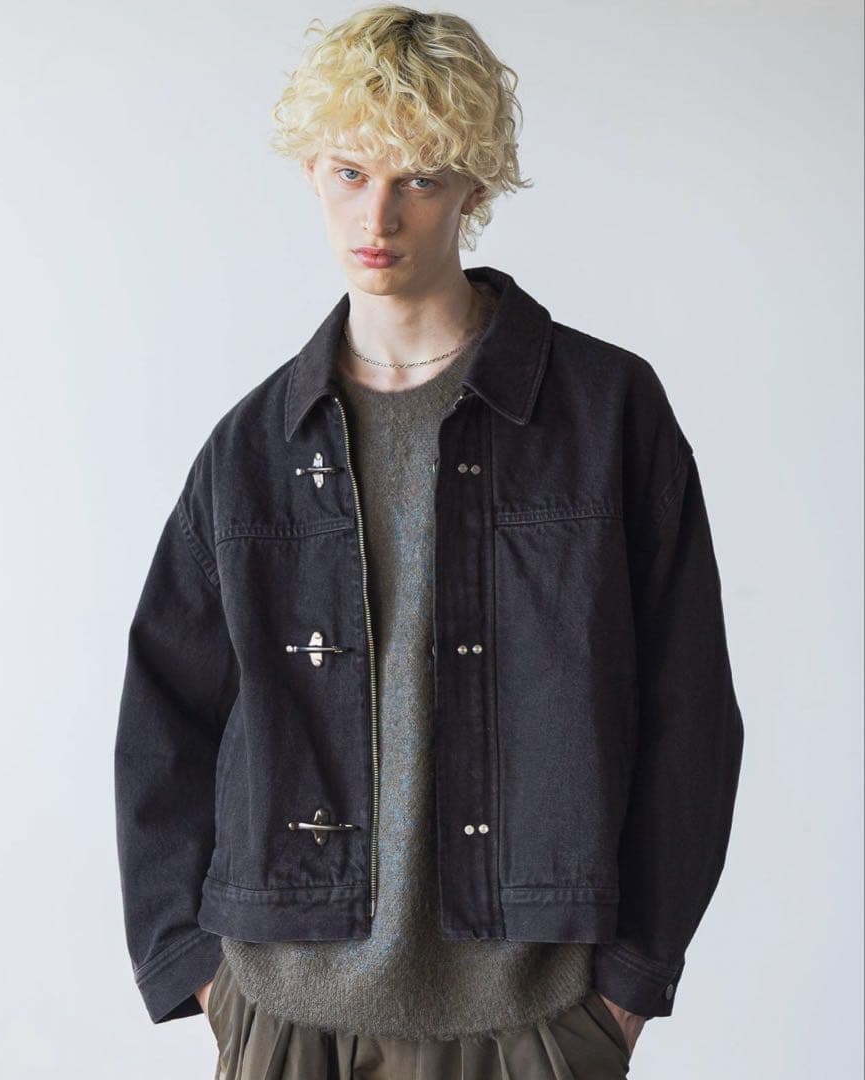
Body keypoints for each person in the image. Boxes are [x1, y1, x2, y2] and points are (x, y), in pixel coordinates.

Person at [114, 6, 744, 1078]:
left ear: (475, 187)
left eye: (420, 178)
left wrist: (628, 988)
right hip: (285, 1009)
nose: (379, 213)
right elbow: (164, 713)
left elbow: (689, 708)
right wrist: (200, 973)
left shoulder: (605, 413)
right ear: (311, 173)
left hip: (533, 1013)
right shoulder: (252, 447)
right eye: (350, 173)